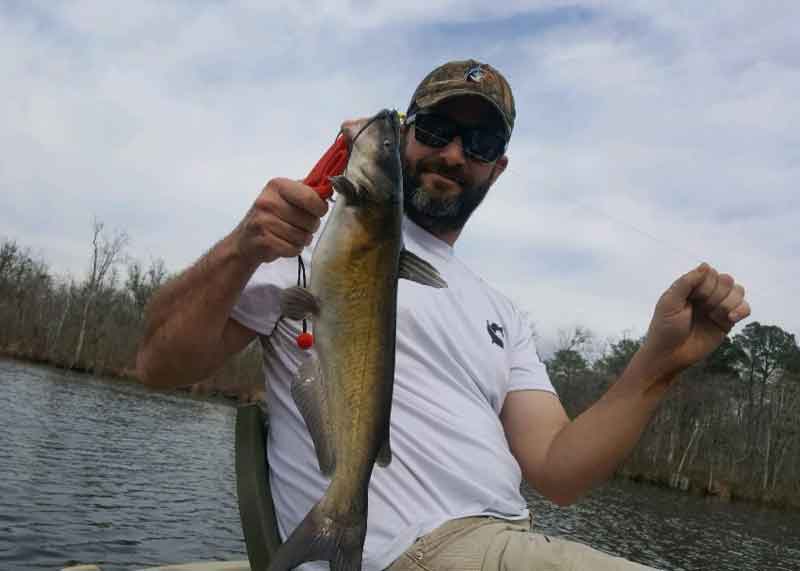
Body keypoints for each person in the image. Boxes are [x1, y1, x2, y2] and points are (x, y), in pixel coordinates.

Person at [137, 59, 751, 571]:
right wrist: (243, 246)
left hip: (506, 539)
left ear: (498, 166)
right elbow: (158, 364)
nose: (453, 153)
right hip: (423, 552)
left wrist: (660, 363)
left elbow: (559, 472)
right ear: (404, 133)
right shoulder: (309, 248)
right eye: (434, 129)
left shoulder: (503, 313)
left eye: (479, 143)